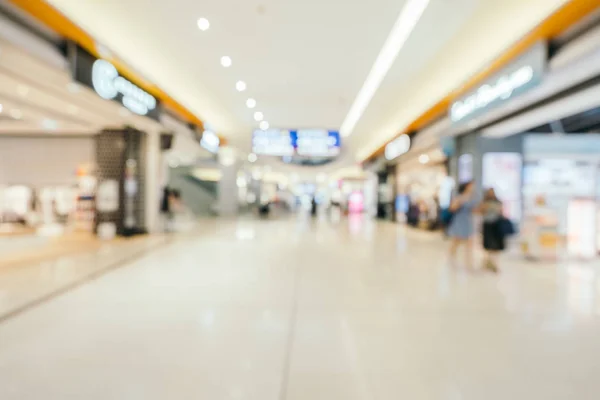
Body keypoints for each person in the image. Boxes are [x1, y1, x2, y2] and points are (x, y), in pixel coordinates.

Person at [447, 181, 477, 270]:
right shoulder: (459, 197)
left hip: (467, 221)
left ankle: (469, 264)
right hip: (459, 221)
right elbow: (452, 208)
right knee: (456, 242)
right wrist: (460, 202)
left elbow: (474, 210)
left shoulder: (472, 197)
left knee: (469, 243)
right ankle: (450, 259)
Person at [480, 188, 504, 273]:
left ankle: (494, 263)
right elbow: (481, 211)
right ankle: (487, 262)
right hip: (487, 224)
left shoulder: (498, 202)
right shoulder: (484, 202)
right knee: (487, 245)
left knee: (496, 245)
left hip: (496, 224)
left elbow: (501, 212)